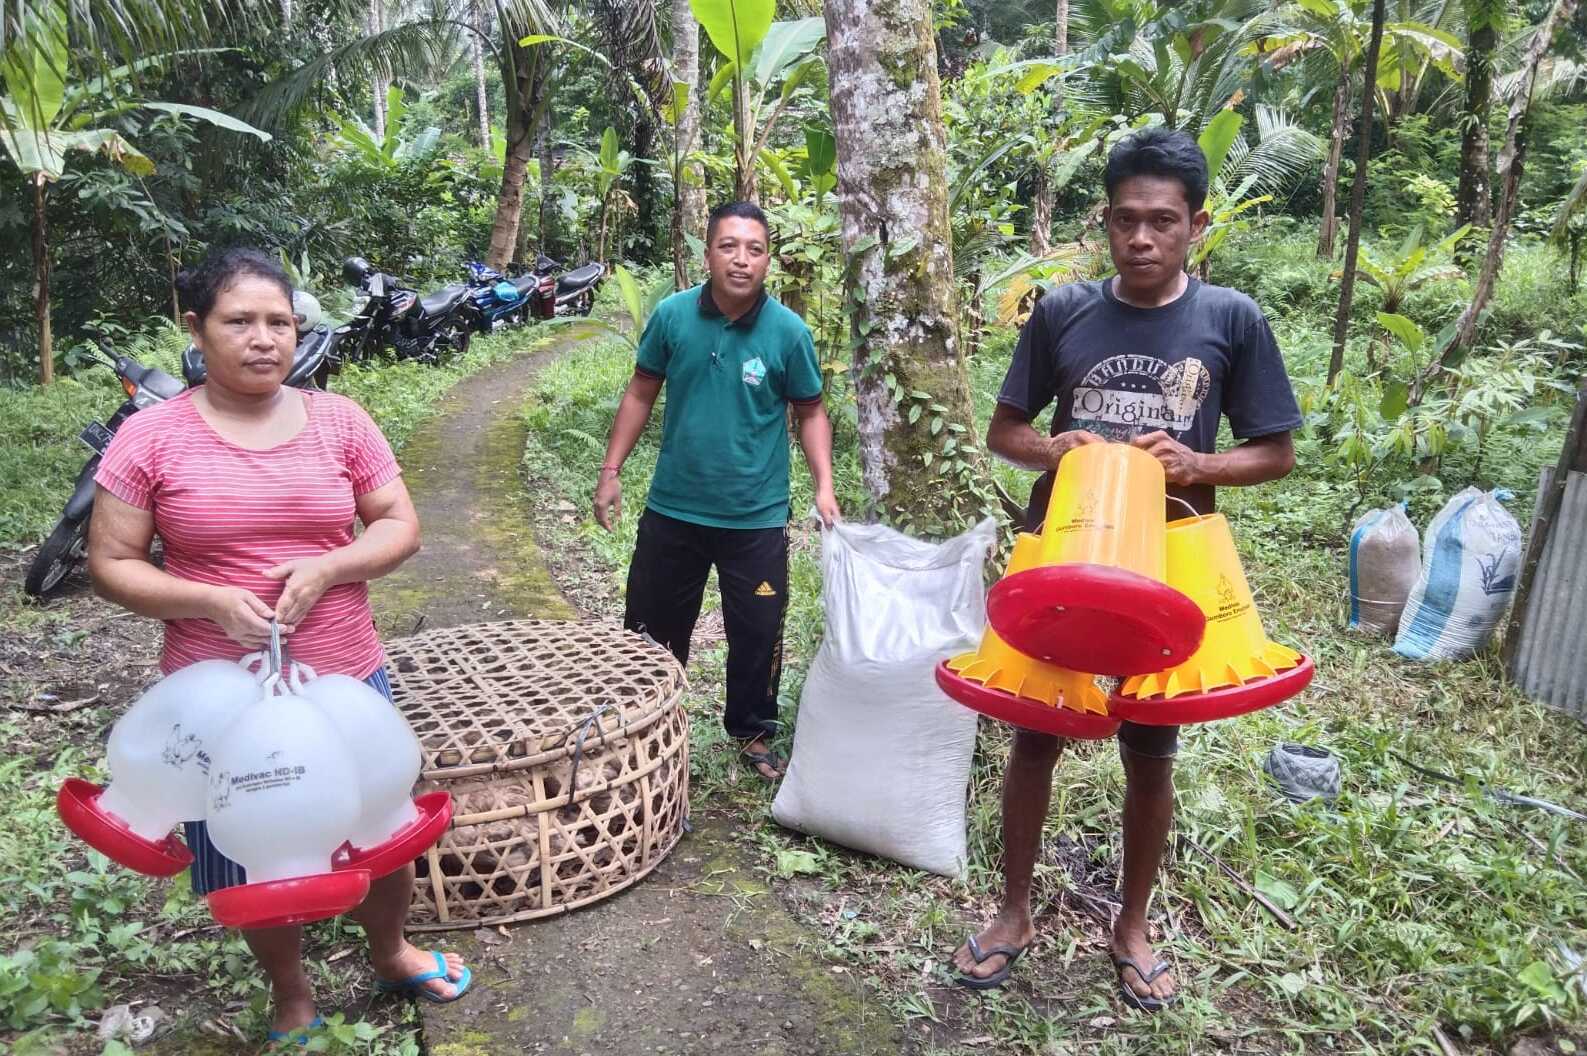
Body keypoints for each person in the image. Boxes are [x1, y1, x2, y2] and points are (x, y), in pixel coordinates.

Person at [951, 128, 1301, 1010]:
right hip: (1065, 547)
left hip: (1171, 557)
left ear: (1195, 226)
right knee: (1037, 731)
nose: (1141, 238)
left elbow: (1274, 453)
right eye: (1125, 221)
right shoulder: (1062, 311)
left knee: (1152, 745)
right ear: (1103, 223)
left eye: (1162, 222)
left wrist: (1196, 464)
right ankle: (1013, 912)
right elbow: (1004, 433)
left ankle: (1131, 925)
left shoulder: (1230, 319)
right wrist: (1052, 446)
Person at [86, 248, 470, 1042]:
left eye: (280, 323)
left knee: (381, 824)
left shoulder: (341, 421)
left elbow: (399, 525)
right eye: (239, 322)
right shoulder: (150, 439)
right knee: (244, 845)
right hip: (215, 694)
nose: (263, 339)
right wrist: (207, 600)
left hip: (344, 675)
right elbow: (110, 566)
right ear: (194, 329)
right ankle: (291, 992)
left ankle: (391, 950)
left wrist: (332, 566)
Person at [594, 201, 839, 782]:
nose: (741, 259)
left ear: (767, 261)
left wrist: (824, 486)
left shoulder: (788, 332)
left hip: (754, 517)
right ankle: (645, 726)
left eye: (754, 249)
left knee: (758, 629)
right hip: (673, 508)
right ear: (707, 253)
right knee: (650, 630)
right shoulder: (673, 317)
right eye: (729, 246)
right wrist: (610, 471)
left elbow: (811, 411)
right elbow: (640, 392)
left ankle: (753, 731)